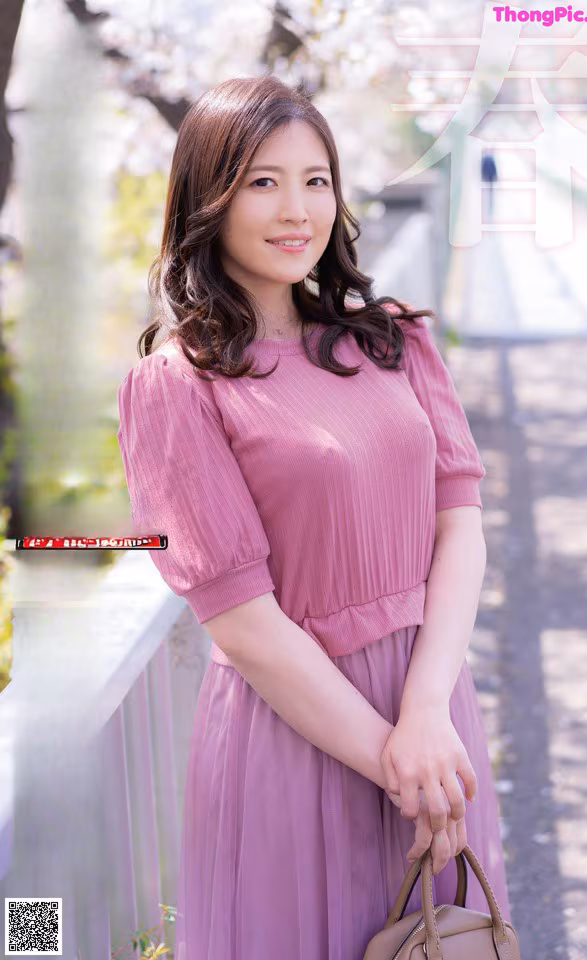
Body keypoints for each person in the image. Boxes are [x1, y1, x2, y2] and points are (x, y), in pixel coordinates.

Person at [116, 74, 512, 960]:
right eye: (262, 181)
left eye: (316, 180)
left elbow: (461, 525)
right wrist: (395, 762)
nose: (297, 209)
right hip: (301, 737)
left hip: (433, 711)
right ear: (208, 199)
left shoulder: (393, 339)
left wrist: (426, 719)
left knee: (451, 941)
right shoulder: (179, 388)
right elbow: (244, 621)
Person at [481, 152, 498, 222]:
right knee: (489, 195)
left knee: (487, 195)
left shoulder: (485, 158)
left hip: (487, 179)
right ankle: (489, 209)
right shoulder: (490, 158)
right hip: (490, 179)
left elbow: (483, 169)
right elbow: (494, 169)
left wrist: (483, 177)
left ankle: (488, 210)